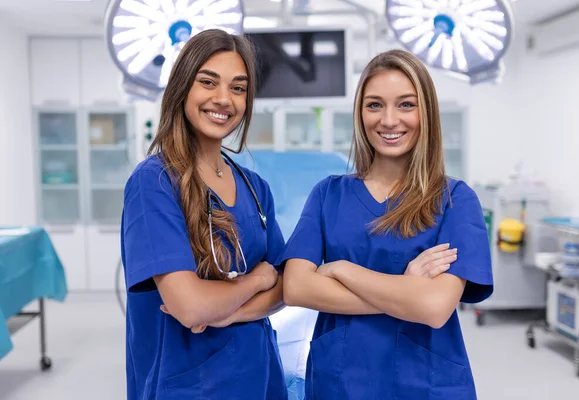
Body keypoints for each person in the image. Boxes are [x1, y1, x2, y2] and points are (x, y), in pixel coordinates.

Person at [276, 49, 493, 399]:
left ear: (427, 113)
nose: (389, 120)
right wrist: (407, 289)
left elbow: (435, 308)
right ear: (360, 113)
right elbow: (297, 288)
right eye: (375, 105)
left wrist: (343, 269)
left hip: (424, 385)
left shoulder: (455, 200)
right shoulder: (329, 195)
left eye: (406, 104)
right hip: (342, 381)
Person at [120, 29, 287, 400]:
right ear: (182, 88)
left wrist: (228, 311)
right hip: (188, 386)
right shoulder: (155, 183)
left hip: (260, 378)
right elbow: (190, 306)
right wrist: (256, 280)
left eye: (239, 88)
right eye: (208, 82)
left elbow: (284, 288)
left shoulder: (255, 187)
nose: (223, 99)